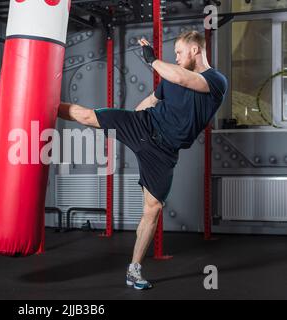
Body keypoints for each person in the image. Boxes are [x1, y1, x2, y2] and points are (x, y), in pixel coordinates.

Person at [57, 30, 228, 289]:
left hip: (164, 153)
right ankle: (42, 104)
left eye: (180, 52)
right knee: (89, 117)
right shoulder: (170, 75)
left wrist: (153, 61)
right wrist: (125, 123)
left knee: (153, 209)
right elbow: (151, 99)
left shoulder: (215, 80)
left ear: (195, 50)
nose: (177, 58)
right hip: (143, 126)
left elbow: (183, 78)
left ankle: (134, 270)